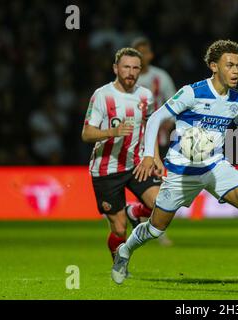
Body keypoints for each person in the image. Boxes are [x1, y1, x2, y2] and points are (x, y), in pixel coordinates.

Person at [112, 40, 238, 288]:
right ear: (213, 66)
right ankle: (125, 250)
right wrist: (148, 154)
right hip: (181, 172)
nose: (235, 70)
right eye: (229, 65)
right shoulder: (192, 93)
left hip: (214, 166)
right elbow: (156, 117)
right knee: (156, 229)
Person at [82, 47, 163, 262]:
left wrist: (155, 157)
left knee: (161, 203)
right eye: (126, 67)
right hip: (106, 169)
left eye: (136, 68)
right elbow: (87, 133)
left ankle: (135, 211)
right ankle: (119, 262)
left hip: (136, 164)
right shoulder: (102, 95)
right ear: (115, 68)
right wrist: (112, 132)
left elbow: (150, 128)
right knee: (119, 230)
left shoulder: (145, 96)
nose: (131, 72)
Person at [121, 37, 177, 246]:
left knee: (156, 181)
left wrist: (167, 124)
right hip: (130, 141)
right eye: (137, 52)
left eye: (145, 52)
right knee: (140, 179)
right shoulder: (126, 80)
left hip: (157, 140)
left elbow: (174, 104)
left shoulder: (160, 77)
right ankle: (141, 218)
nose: (142, 56)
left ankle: (146, 220)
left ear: (151, 55)